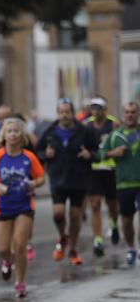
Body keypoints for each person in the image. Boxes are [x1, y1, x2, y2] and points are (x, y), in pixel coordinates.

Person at [0, 118, 45, 297]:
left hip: (24, 205)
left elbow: (41, 178)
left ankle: (20, 282)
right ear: (4, 135)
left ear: (21, 134)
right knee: (2, 248)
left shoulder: (29, 157)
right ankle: (7, 261)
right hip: (1, 206)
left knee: (20, 244)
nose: (13, 134)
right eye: (9, 131)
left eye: (16, 131)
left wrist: (32, 183)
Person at [37, 99, 99, 265]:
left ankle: (73, 249)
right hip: (58, 179)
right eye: (61, 112)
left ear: (72, 113)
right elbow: (37, 151)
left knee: (75, 216)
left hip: (79, 178)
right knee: (58, 213)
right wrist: (45, 155)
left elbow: (98, 150)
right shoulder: (49, 132)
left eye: (67, 112)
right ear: (57, 114)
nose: (65, 115)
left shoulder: (84, 131)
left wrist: (90, 155)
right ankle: (62, 235)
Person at [100, 102, 140, 265]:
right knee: (127, 220)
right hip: (124, 184)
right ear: (122, 115)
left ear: (137, 114)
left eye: (133, 112)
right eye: (127, 112)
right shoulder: (115, 135)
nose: (130, 115)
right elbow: (101, 153)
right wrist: (112, 153)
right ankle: (131, 248)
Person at [84, 96, 121, 255]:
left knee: (112, 204)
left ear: (105, 109)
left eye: (99, 108)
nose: (96, 111)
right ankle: (97, 239)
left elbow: (120, 146)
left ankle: (113, 223)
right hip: (94, 170)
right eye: (93, 108)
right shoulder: (87, 125)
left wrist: (108, 154)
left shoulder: (113, 123)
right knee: (95, 204)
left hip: (111, 169)